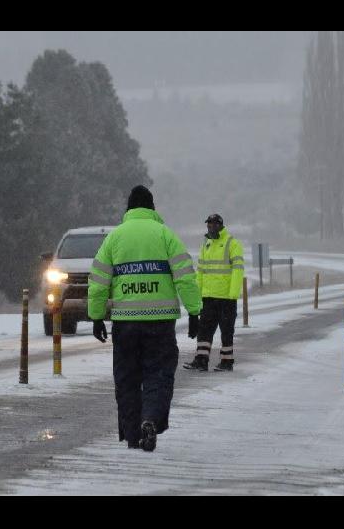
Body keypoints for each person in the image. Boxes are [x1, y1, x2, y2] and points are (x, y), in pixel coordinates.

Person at [88, 185, 201, 452]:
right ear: (152, 208)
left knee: (127, 378)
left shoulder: (114, 238)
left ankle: (132, 435)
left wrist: (96, 317)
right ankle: (150, 418)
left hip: (125, 322)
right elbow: (185, 277)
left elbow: (98, 283)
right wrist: (194, 311)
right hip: (160, 323)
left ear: (128, 208)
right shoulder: (166, 236)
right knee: (158, 374)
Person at [183, 213, 244, 372]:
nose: (210, 227)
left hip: (226, 298)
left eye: (213, 224)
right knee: (204, 330)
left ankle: (227, 362)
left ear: (220, 225)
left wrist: (233, 295)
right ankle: (201, 360)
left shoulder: (232, 243)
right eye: (208, 225)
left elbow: (238, 271)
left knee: (227, 331)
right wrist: (198, 294)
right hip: (208, 297)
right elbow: (200, 272)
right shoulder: (206, 245)